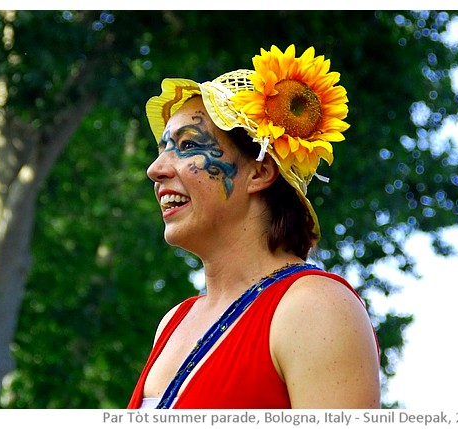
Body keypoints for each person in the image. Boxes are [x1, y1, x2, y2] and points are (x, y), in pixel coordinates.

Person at [127, 44, 381, 409]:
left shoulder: (314, 307)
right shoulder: (173, 322)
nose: (155, 168)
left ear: (259, 172)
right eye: (163, 147)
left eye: (186, 145)